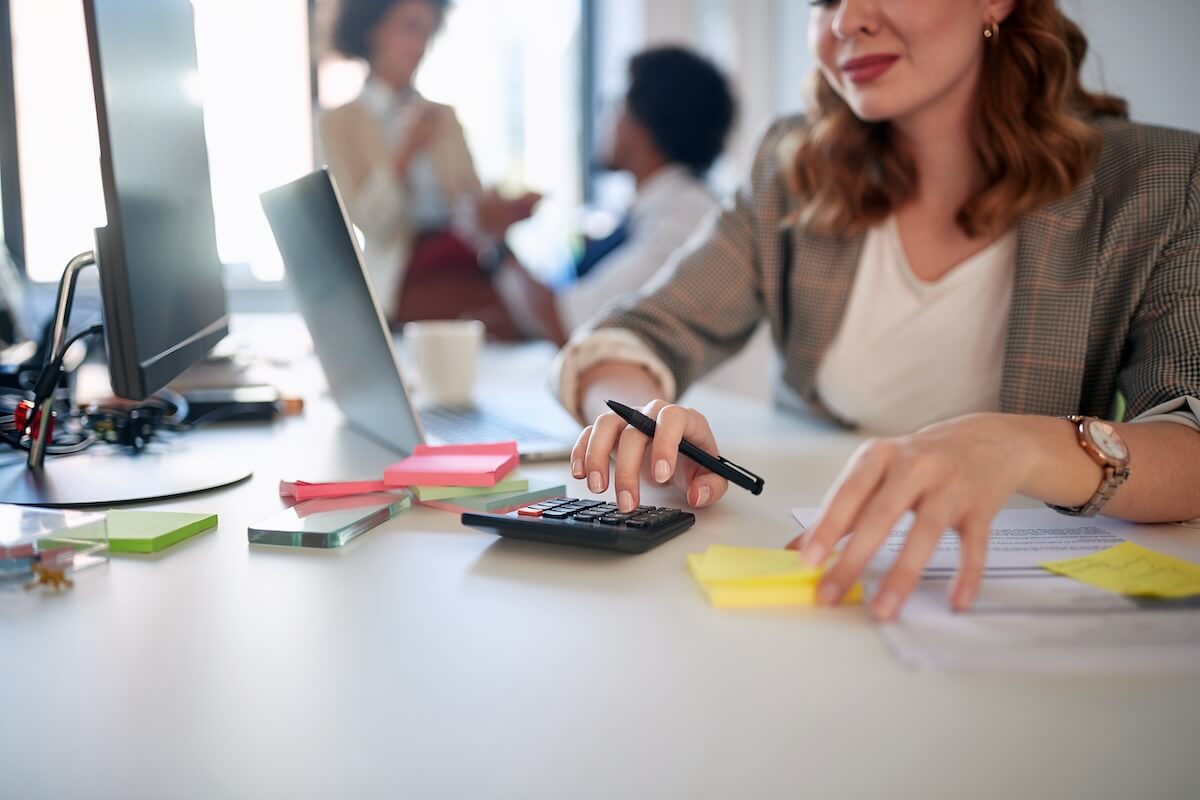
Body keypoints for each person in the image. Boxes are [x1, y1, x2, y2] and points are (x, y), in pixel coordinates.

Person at [556, 0, 1200, 620]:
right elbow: (631, 335)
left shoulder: (1158, 181)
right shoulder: (794, 166)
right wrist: (644, 421)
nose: (846, 20)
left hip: (1014, 609)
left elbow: (1189, 434)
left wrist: (1019, 445)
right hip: (814, 591)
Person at [320, 0, 540, 337]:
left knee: (515, 320)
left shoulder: (444, 117)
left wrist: (494, 210)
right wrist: (404, 152)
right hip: (405, 275)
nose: (421, 44)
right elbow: (372, 223)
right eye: (410, 27)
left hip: (461, 261)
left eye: (427, 30)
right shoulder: (339, 124)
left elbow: (470, 203)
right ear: (374, 29)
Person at [495, 47, 736, 346]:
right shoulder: (661, 209)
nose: (605, 119)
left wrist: (494, 242)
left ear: (645, 121)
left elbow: (568, 326)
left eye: (613, 105)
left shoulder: (685, 219)